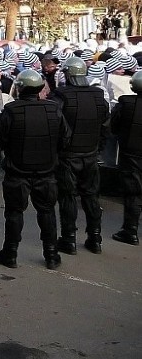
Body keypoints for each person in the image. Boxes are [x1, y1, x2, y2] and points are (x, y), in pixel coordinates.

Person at [0, 70, 70, 270]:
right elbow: (65, 139)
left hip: (18, 172)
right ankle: (51, 255)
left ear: (20, 88)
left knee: (14, 213)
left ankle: (10, 254)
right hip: (46, 172)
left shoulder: (11, 111)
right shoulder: (53, 110)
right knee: (47, 213)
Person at [48, 56, 110, 254]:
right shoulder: (98, 95)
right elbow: (105, 125)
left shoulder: (61, 96)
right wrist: (98, 147)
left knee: (68, 197)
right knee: (91, 196)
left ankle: (69, 239)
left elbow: (53, 124)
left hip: (68, 156)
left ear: (68, 74)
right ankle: (95, 238)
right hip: (90, 154)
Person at [110, 70, 142, 245]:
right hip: (132, 154)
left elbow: (114, 126)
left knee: (132, 193)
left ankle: (130, 231)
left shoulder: (126, 103)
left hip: (131, 155)